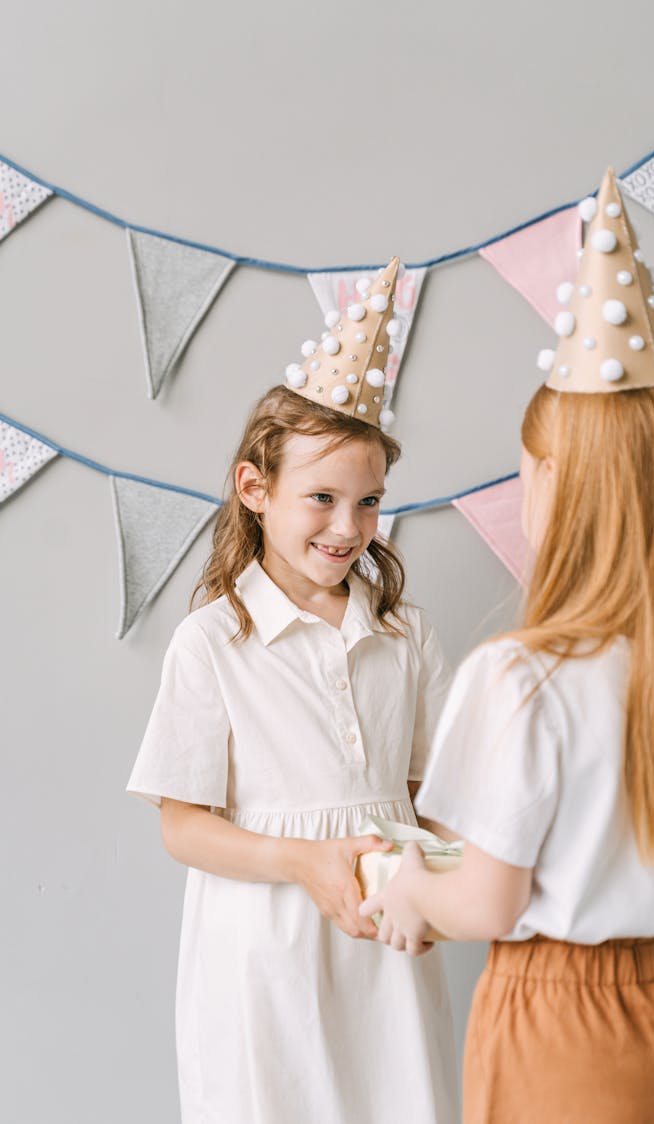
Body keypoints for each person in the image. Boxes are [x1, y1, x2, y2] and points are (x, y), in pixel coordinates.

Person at [361, 175, 654, 1123]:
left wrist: (409, 887)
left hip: (564, 1028)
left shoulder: (522, 676)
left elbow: (491, 903)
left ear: (553, 483)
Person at [127, 257, 458, 1124]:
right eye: (322, 498)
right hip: (263, 954)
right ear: (255, 489)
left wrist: (443, 873)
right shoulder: (214, 643)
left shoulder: (403, 634)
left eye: (370, 502)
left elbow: (431, 796)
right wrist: (301, 861)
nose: (349, 529)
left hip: (382, 943)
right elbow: (182, 824)